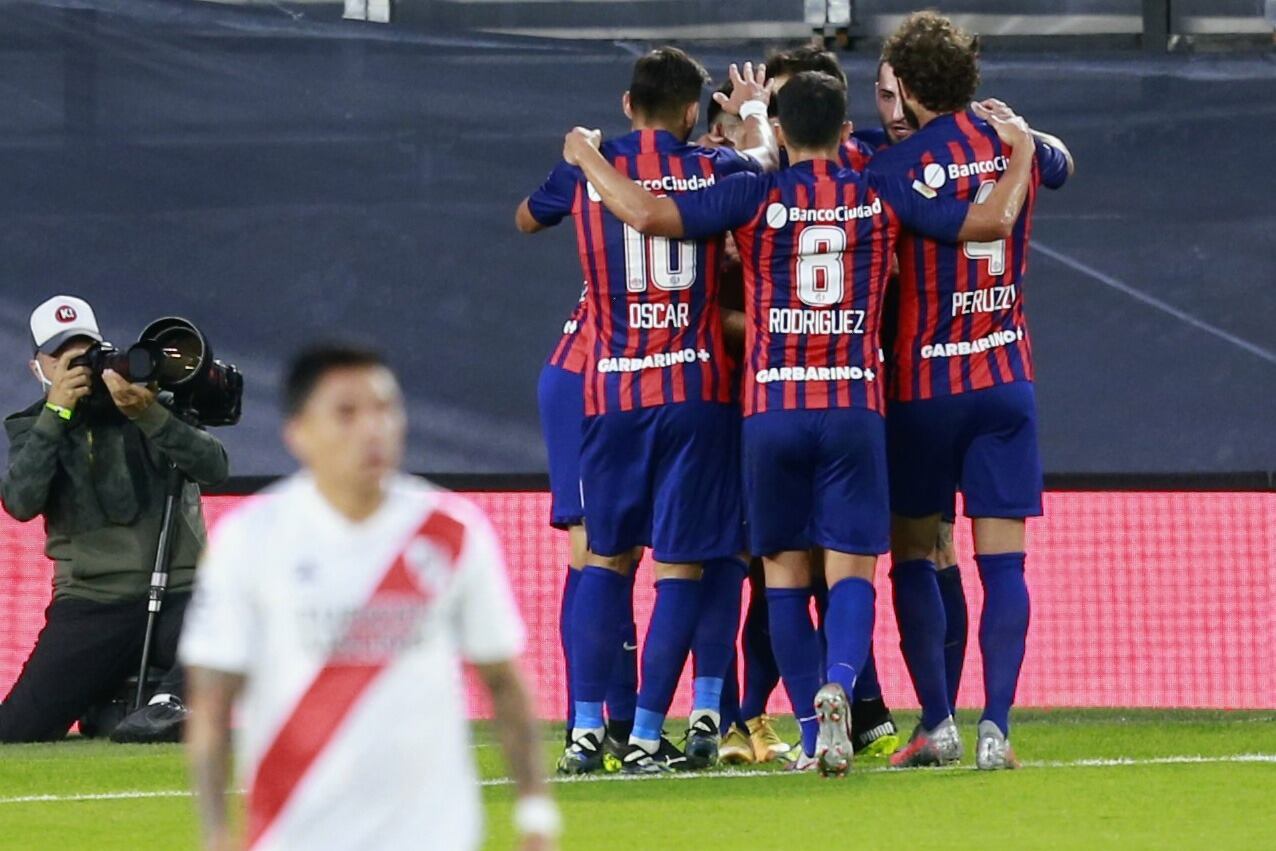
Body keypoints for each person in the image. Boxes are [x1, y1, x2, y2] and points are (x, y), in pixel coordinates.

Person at [563, 69, 1036, 775]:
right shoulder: (879, 189)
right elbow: (982, 224)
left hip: (771, 412)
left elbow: (649, 215)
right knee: (852, 572)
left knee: (782, 577)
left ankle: (814, 737)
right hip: (854, 409)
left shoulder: (753, 194)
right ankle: (841, 684)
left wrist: (586, 156)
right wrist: (1020, 149)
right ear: (846, 131)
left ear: (782, 132)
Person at [180, 344, 557, 851]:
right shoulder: (249, 540)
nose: (372, 429)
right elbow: (212, 701)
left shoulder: (451, 532)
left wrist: (536, 812)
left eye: (385, 409)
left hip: (432, 835)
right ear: (298, 431)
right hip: (295, 835)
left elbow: (504, 683)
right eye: (346, 413)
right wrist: (215, 831)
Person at [516, 48, 776, 774]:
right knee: (684, 566)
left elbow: (526, 219)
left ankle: (585, 730)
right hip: (693, 391)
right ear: (694, 112)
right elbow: (764, 158)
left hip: (611, 393)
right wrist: (751, 111)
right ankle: (650, 735)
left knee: (602, 559)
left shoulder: (587, 168)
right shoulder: (714, 170)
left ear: (627, 106)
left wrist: (577, 157)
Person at [866, 11, 1073, 770]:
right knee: (1004, 564)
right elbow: (1062, 162)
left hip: (923, 387)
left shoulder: (893, 170)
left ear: (908, 88)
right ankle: (999, 729)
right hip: (1004, 382)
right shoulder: (1014, 141)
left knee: (914, 554)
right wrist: (1021, 137)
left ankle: (936, 722)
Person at [0, 295, 228, 744]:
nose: (77, 366)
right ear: (37, 368)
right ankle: (117, 702)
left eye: (86, 352)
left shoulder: (150, 401)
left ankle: (168, 703)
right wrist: (56, 414)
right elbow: (21, 502)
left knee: (231, 614)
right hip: (92, 603)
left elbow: (214, 468)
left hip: (180, 594)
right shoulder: (32, 426)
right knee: (15, 732)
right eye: (62, 357)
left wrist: (149, 414)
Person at [537, 288, 639, 772]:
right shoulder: (650, 233)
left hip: (618, 385)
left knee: (623, 551)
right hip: (584, 385)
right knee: (593, 549)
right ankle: (584, 725)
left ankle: (621, 724)